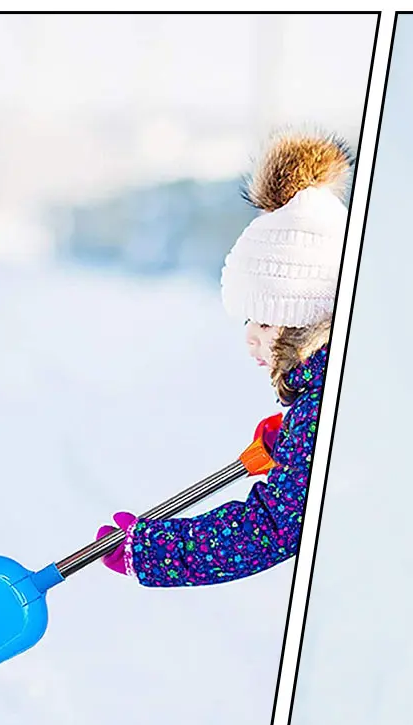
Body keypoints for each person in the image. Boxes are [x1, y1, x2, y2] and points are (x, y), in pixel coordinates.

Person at [96, 131, 350, 585]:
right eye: (247, 322)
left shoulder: (320, 405)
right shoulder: (326, 391)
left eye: (268, 322)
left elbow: (272, 528)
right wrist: (293, 442)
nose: (251, 340)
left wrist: (150, 551)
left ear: (311, 325)